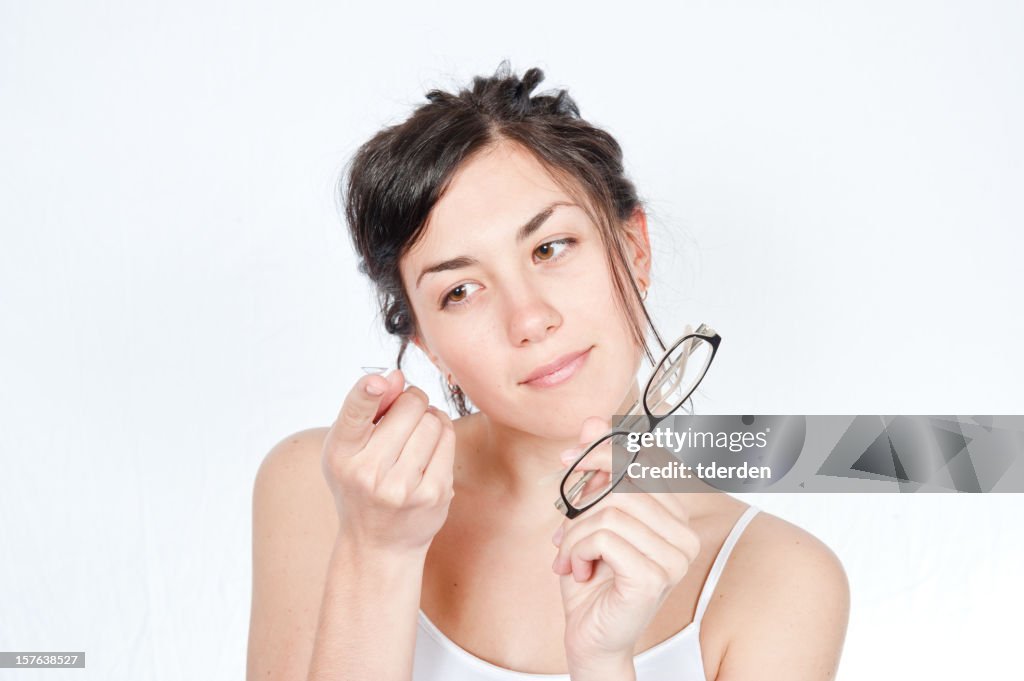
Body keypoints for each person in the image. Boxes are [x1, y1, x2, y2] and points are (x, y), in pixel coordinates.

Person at [247, 62, 850, 681]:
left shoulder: (776, 578)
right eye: (461, 290)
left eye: (549, 248)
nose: (529, 319)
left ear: (634, 249)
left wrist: (603, 661)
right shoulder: (321, 491)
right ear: (426, 342)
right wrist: (376, 553)